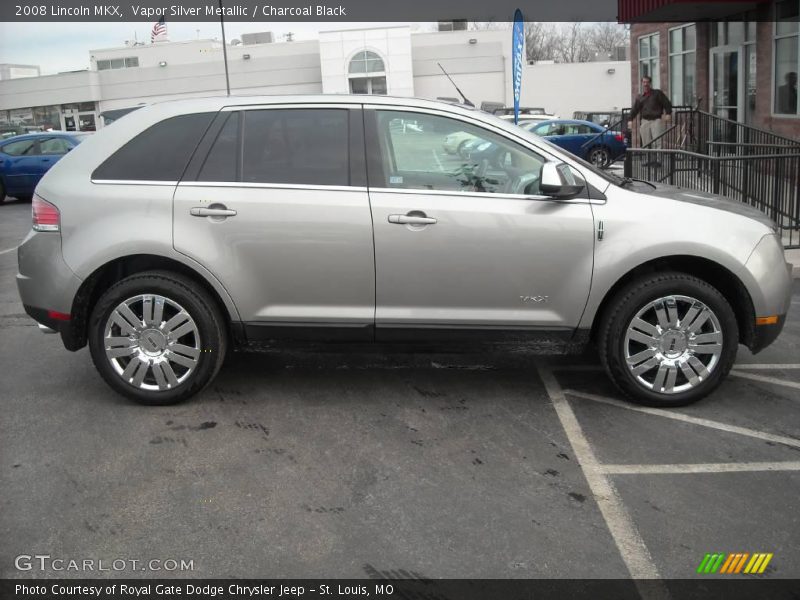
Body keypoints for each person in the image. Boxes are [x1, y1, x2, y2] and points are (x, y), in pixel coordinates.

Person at [628, 76, 672, 148]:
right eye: (644, 82)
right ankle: (649, 159)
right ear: (642, 83)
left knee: (657, 142)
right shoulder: (640, 97)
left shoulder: (657, 93)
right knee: (646, 143)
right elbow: (634, 109)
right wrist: (630, 119)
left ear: (650, 83)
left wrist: (668, 113)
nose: (645, 84)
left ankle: (658, 159)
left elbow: (667, 103)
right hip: (645, 121)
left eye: (647, 82)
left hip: (656, 121)